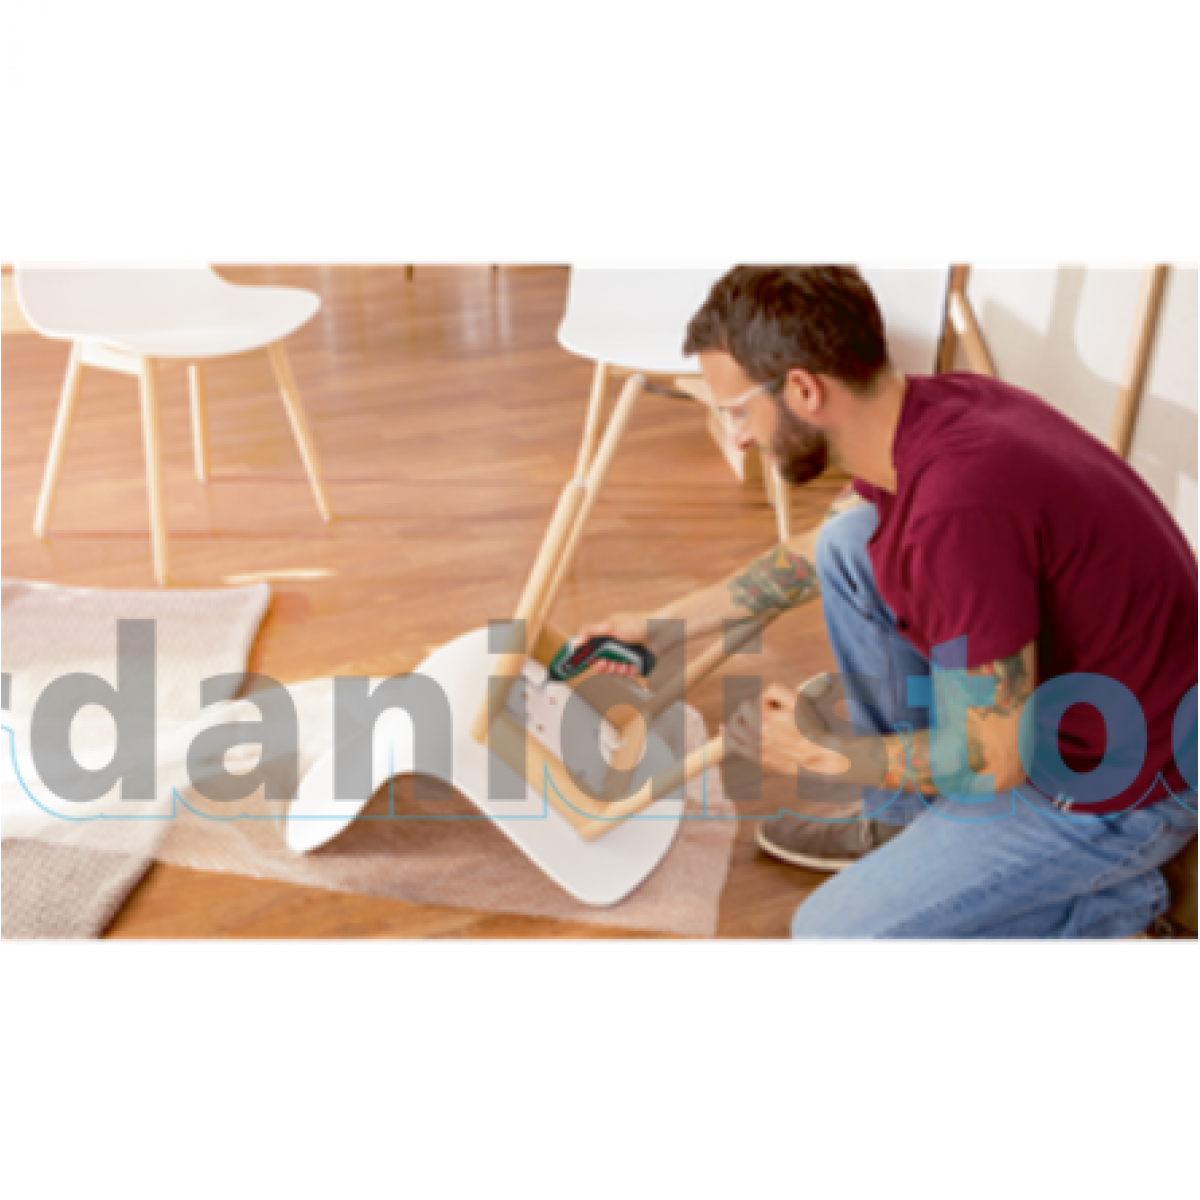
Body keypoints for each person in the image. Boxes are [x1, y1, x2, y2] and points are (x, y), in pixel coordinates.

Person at [577, 265, 1198, 938]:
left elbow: (991, 757)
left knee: (832, 935)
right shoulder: (930, 412)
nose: (739, 438)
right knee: (848, 543)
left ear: (804, 390)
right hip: (1077, 713)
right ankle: (901, 827)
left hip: (1121, 786)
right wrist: (664, 625)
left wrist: (822, 754)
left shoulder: (958, 511)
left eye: (738, 412)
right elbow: (807, 557)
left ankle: (1130, 901)